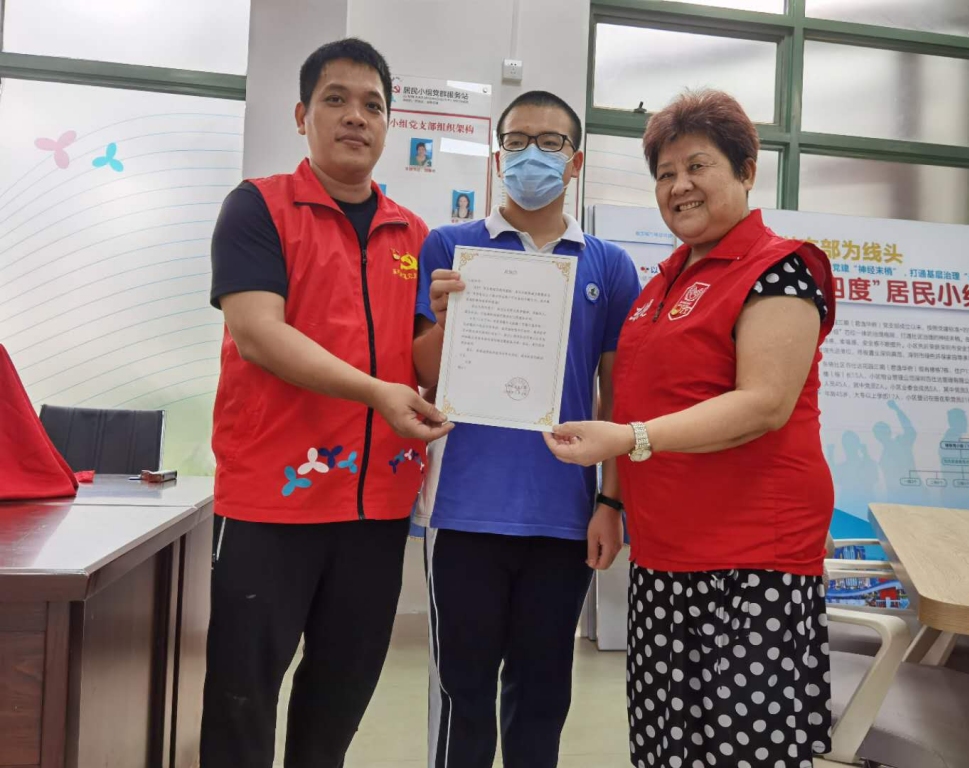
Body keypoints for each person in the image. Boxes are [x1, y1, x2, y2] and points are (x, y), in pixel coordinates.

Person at [544, 89, 837, 768]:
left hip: (751, 561)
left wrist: (631, 441)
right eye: (665, 173)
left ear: (746, 171)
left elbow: (763, 404)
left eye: (697, 166)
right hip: (664, 558)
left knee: (742, 749)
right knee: (665, 747)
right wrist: (611, 499)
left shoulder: (781, 268)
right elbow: (632, 399)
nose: (679, 186)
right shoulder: (663, 283)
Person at [200, 38, 452, 768]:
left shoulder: (414, 235)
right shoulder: (258, 208)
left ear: (389, 124)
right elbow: (258, 333)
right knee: (242, 700)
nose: (355, 117)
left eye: (373, 105)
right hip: (272, 502)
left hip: (376, 507)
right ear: (302, 114)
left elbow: (423, 364)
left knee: (338, 700)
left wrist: (461, 324)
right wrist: (376, 392)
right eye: (336, 100)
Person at [413, 90, 641, 768]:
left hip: (562, 517)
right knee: (463, 695)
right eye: (516, 142)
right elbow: (424, 375)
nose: (530, 156)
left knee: (542, 696)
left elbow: (617, 395)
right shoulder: (450, 246)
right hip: (464, 511)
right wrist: (445, 320)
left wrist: (610, 501)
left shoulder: (609, 265)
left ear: (575, 162)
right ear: (497, 157)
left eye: (549, 143)